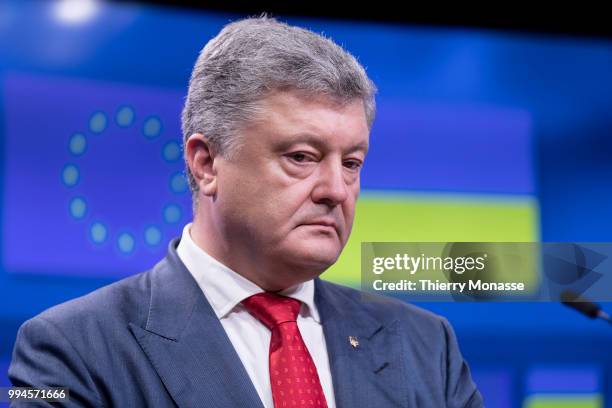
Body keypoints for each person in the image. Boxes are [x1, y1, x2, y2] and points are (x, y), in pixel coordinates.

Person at [9, 15, 483, 407]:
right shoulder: (70, 351)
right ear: (207, 162)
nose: (337, 190)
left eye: (352, 163)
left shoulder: (425, 346)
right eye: (302, 157)